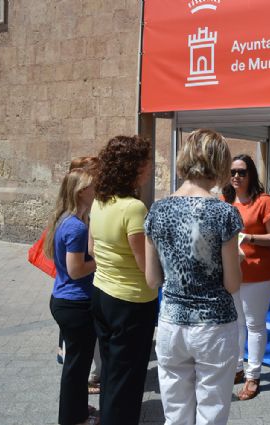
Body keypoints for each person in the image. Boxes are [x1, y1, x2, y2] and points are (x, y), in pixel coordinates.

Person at [144, 129, 242, 425]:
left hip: (172, 323)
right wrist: (238, 261)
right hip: (214, 324)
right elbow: (232, 284)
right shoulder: (223, 213)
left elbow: (152, 279)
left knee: (175, 413)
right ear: (219, 163)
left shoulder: (157, 210)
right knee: (211, 411)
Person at [89, 136, 158, 425]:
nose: (150, 168)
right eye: (146, 162)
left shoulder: (99, 201)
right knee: (127, 377)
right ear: (133, 168)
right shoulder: (133, 208)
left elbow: (92, 249)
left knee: (112, 373)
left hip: (102, 293)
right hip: (131, 301)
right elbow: (147, 268)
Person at [222, 154, 270, 400]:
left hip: (257, 272)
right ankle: (237, 368)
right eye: (233, 172)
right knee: (235, 323)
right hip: (231, 270)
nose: (236, 176)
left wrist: (248, 238)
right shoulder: (225, 200)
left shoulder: (264, 201)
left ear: (251, 175)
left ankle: (253, 376)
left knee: (254, 325)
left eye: (242, 172)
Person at [44, 168, 98, 425]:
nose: (96, 188)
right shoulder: (75, 227)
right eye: (92, 185)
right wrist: (100, 261)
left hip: (66, 300)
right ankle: (73, 418)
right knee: (76, 367)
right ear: (80, 192)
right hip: (75, 303)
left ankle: (76, 408)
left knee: (76, 364)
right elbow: (76, 270)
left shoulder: (67, 219)